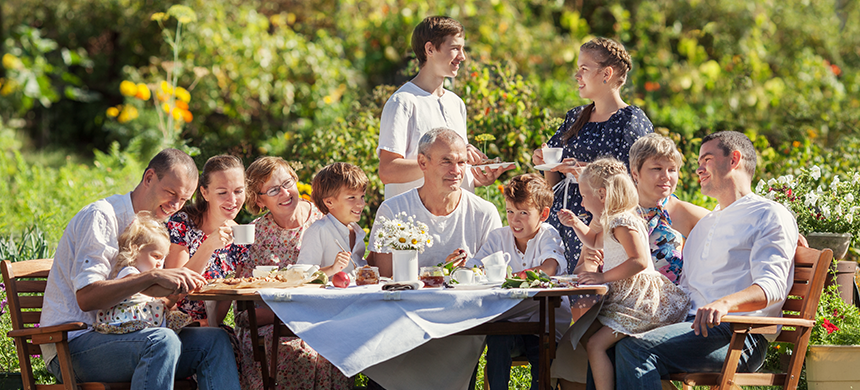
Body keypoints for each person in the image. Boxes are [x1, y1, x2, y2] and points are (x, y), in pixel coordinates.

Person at [609, 131, 798, 389]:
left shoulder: (769, 214)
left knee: (635, 350)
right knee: (608, 346)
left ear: (734, 160)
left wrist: (724, 304)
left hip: (738, 335)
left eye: (706, 159)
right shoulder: (705, 224)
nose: (698, 169)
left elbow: (773, 287)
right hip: (691, 327)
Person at [40, 148, 240, 389]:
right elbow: (87, 297)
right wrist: (153, 275)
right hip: (73, 345)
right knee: (162, 341)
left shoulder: (154, 226)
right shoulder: (102, 217)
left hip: (132, 336)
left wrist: (177, 285)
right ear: (148, 178)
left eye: (184, 200)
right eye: (170, 193)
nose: (175, 205)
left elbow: (158, 297)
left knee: (215, 341)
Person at [551, 133, 709, 389]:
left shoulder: (683, 212)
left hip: (657, 306)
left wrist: (794, 238)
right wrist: (594, 271)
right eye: (656, 169)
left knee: (609, 346)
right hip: (619, 299)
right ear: (634, 173)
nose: (666, 176)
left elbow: (729, 227)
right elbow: (587, 259)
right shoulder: (612, 212)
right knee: (577, 342)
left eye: (672, 169)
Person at [532, 37, 653, 274]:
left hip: (599, 223)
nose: (577, 75)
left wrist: (587, 173)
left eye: (584, 69)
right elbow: (554, 181)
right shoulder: (576, 116)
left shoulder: (631, 121)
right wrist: (547, 165)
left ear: (606, 73)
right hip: (562, 216)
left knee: (588, 291)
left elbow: (637, 181)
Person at [236, 156, 349, 390]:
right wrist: (288, 312)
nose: (285, 193)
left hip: (324, 317)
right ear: (259, 199)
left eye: (288, 183)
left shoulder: (326, 219)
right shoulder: (255, 234)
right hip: (271, 324)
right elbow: (245, 310)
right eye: (274, 190)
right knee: (295, 350)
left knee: (332, 342)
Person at [377, 15, 510, 200]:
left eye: (462, 49)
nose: (462, 57)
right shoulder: (402, 102)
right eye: (455, 48)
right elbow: (388, 171)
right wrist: (444, 162)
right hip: (416, 223)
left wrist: (477, 176)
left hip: (456, 220)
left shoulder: (456, 103)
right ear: (430, 49)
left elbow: (450, 174)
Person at [468, 173, 568, 390]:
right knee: (497, 338)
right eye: (510, 212)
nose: (515, 220)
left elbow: (549, 268)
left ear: (543, 214)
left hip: (545, 324)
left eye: (524, 213)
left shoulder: (547, 234)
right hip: (509, 323)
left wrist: (512, 278)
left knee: (542, 351)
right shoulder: (498, 237)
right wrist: (462, 264)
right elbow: (475, 267)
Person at [369, 127, 503, 276]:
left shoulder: (484, 213)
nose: (456, 171)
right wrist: (441, 271)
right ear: (422, 162)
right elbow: (384, 281)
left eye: (461, 162)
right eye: (447, 161)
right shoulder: (393, 210)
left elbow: (494, 278)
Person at [165, 154, 250, 327]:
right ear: (205, 193)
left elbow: (220, 310)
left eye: (238, 191)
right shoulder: (182, 223)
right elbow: (174, 291)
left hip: (207, 326)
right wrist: (209, 246)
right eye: (222, 192)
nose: (232, 200)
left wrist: (203, 325)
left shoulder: (240, 240)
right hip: (171, 320)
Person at [94, 211, 194, 334]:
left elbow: (160, 302)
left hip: (147, 325)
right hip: (125, 326)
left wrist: (172, 298)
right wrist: (174, 286)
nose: (159, 263)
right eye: (156, 256)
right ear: (135, 251)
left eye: (163, 259)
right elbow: (151, 290)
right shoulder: (130, 272)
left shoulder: (152, 281)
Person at [297, 162, 369, 276]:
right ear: (329, 202)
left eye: (362, 197)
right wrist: (332, 269)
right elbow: (302, 275)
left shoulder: (356, 231)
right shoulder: (318, 231)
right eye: (351, 197)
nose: (360, 204)